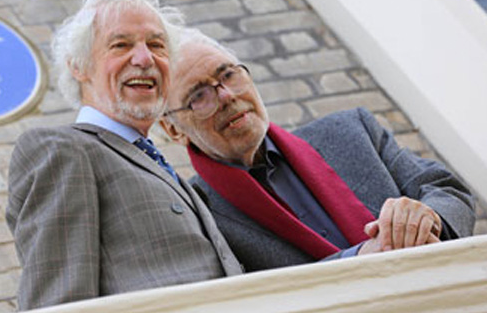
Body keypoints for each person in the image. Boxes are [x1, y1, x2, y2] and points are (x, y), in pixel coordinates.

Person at [6, 0, 242, 310]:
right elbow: (57, 302)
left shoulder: (158, 165)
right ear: (78, 66)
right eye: (121, 45)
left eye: (157, 45)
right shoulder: (63, 150)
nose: (145, 59)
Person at [160, 29, 475, 272]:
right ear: (172, 128)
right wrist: (358, 260)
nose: (227, 96)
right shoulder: (191, 211)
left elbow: (446, 188)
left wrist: (426, 218)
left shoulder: (352, 129)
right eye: (199, 95)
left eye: (228, 74)